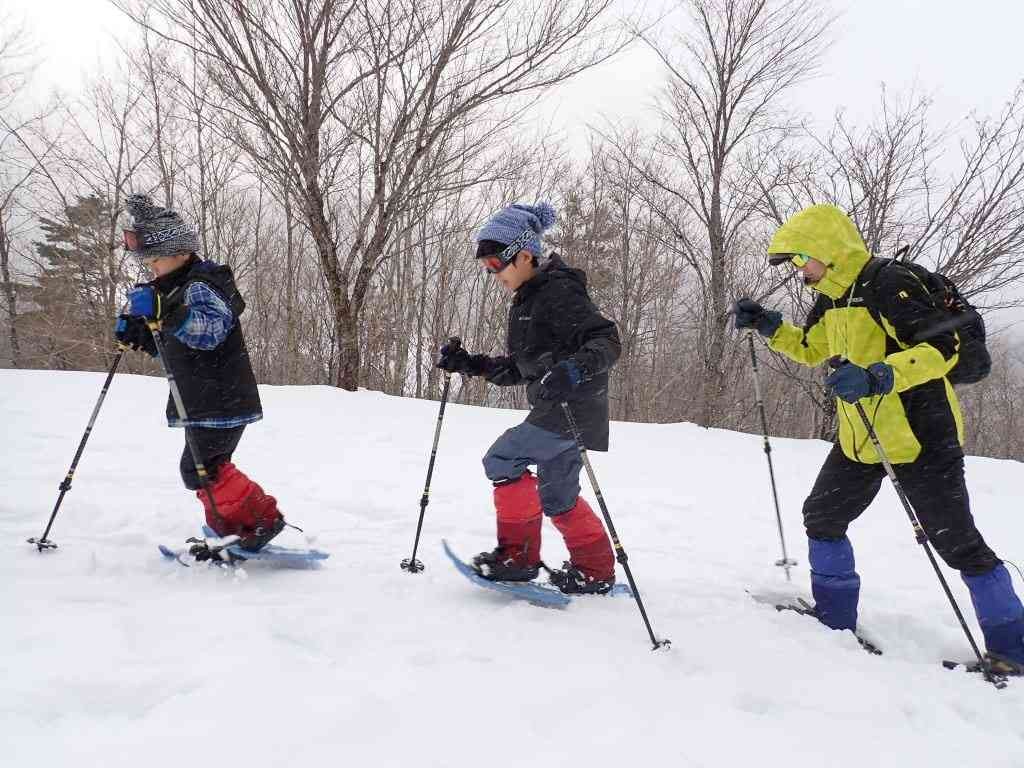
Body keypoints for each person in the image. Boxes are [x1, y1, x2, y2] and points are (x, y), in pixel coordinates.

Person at [734, 203, 1024, 672]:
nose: (798, 270)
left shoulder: (888, 283)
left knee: (956, 542)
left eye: (800, 259)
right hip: (861, 439)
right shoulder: (832, 296)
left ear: (825, 250)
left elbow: (942, 348)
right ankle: (834, 619)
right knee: (822, 516)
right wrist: (769, 325)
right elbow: (813, 349)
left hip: (920, 435)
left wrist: (880, 375)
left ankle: (1013, 649)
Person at [437, 202, 621, 594]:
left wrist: (574, 369)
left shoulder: (558, 291)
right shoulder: (528, 298)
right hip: (562, 410)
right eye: (487, 266)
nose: (492, 273)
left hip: (570, 407)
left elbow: (606, 340)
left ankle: (518, 558)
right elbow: (523, 368)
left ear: (524, 254)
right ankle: (596, 571)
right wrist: (469, 364)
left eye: (495, 263)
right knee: (558, 498)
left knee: (502, 458)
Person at [115, 194, 284, 553]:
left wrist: (166, 312)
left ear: (176, 253)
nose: (151, 270)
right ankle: (235, 527)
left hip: (222, 399)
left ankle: (260, 522)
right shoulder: (170, 290)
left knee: (200, 470)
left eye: (154, 261)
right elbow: (175, 348)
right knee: (204, 469)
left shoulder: (202, 286)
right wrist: (140, 334)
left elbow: (209, 332)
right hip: (201, 399)